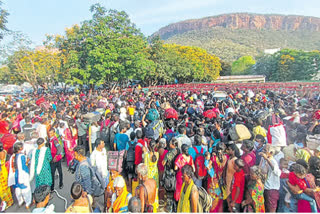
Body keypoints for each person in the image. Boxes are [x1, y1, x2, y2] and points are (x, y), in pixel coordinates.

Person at [8, 142, 32, 209]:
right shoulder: (22, 156)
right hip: (22, 175)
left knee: (17, 189)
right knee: (26, 189)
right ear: (20, 148)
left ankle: (20, 201)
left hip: (14, 175)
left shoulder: (12, 156)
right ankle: (28, 203)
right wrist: (27, 162)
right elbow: (23, 167)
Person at [259, 144, 281, 212]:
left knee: (271, 210)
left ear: (270, 153)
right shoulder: (263, 159)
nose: (263, 151)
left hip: (271, 190)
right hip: (265, 188)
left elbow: (277, 172)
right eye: (263, 150)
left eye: (265, 150)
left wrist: (267, 159)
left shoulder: (273, 161)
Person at [0, 142, 13, 209]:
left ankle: (6, 202)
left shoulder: (1, 153)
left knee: (3, 189)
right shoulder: (4, 151)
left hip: (1, 172)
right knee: (6, 187)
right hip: (4, 170)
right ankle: (9, 201)